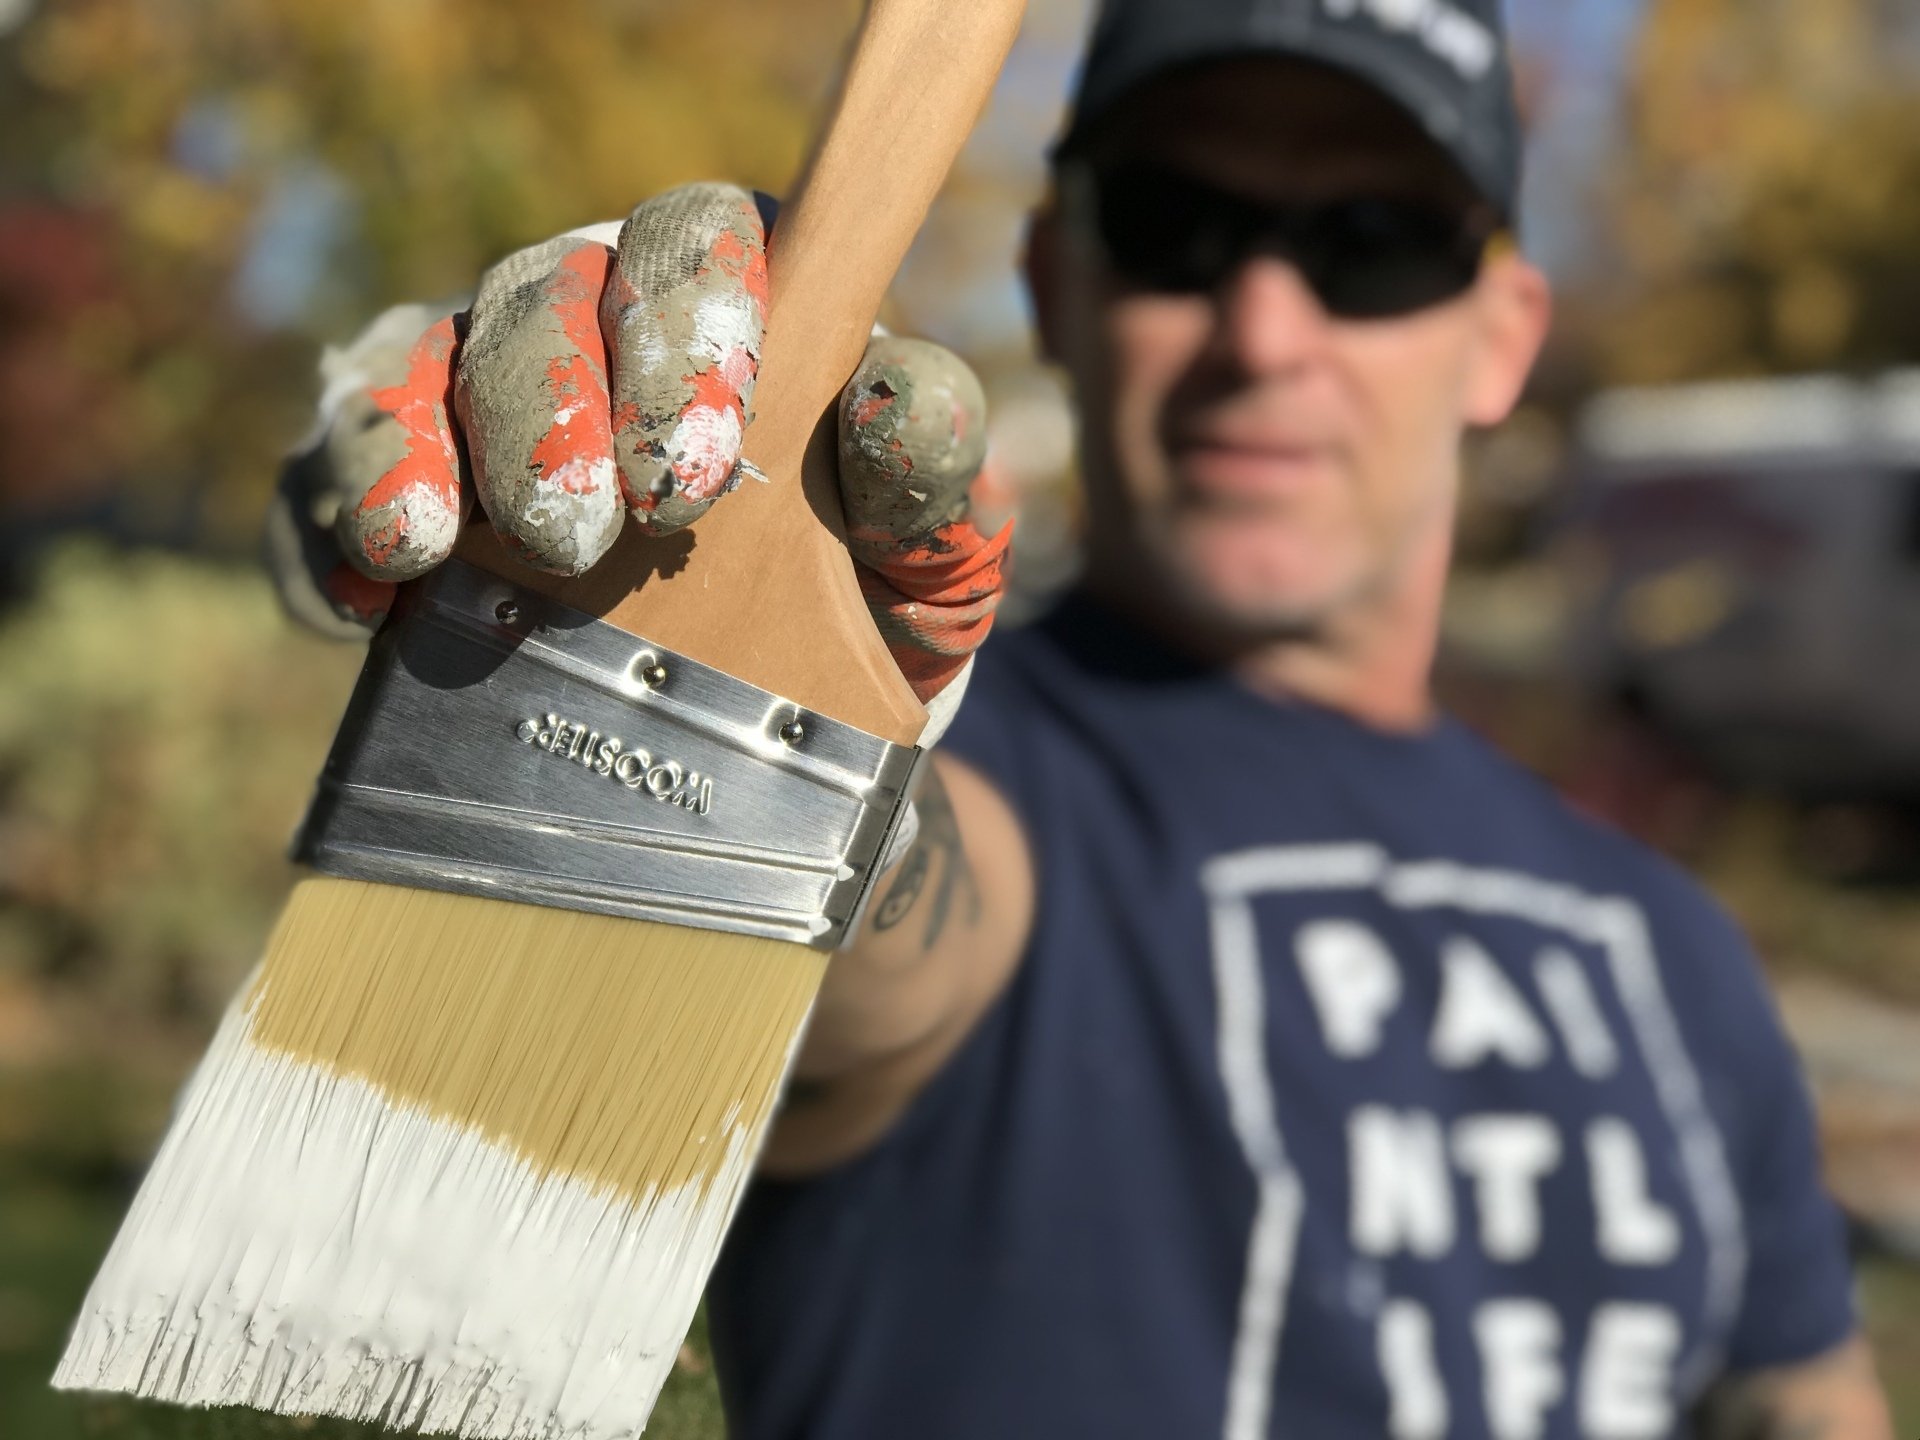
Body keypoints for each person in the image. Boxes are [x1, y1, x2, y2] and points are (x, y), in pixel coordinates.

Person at [269, 1, 1896, 1435]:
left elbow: (1806, 1396)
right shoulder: (969, 774)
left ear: (1503, 339)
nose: (1264, 335)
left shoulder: (1676, 955)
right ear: (1055, 279)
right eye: (1179, 222)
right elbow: (883, 939)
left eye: (1376, 240)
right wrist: (661, 607)